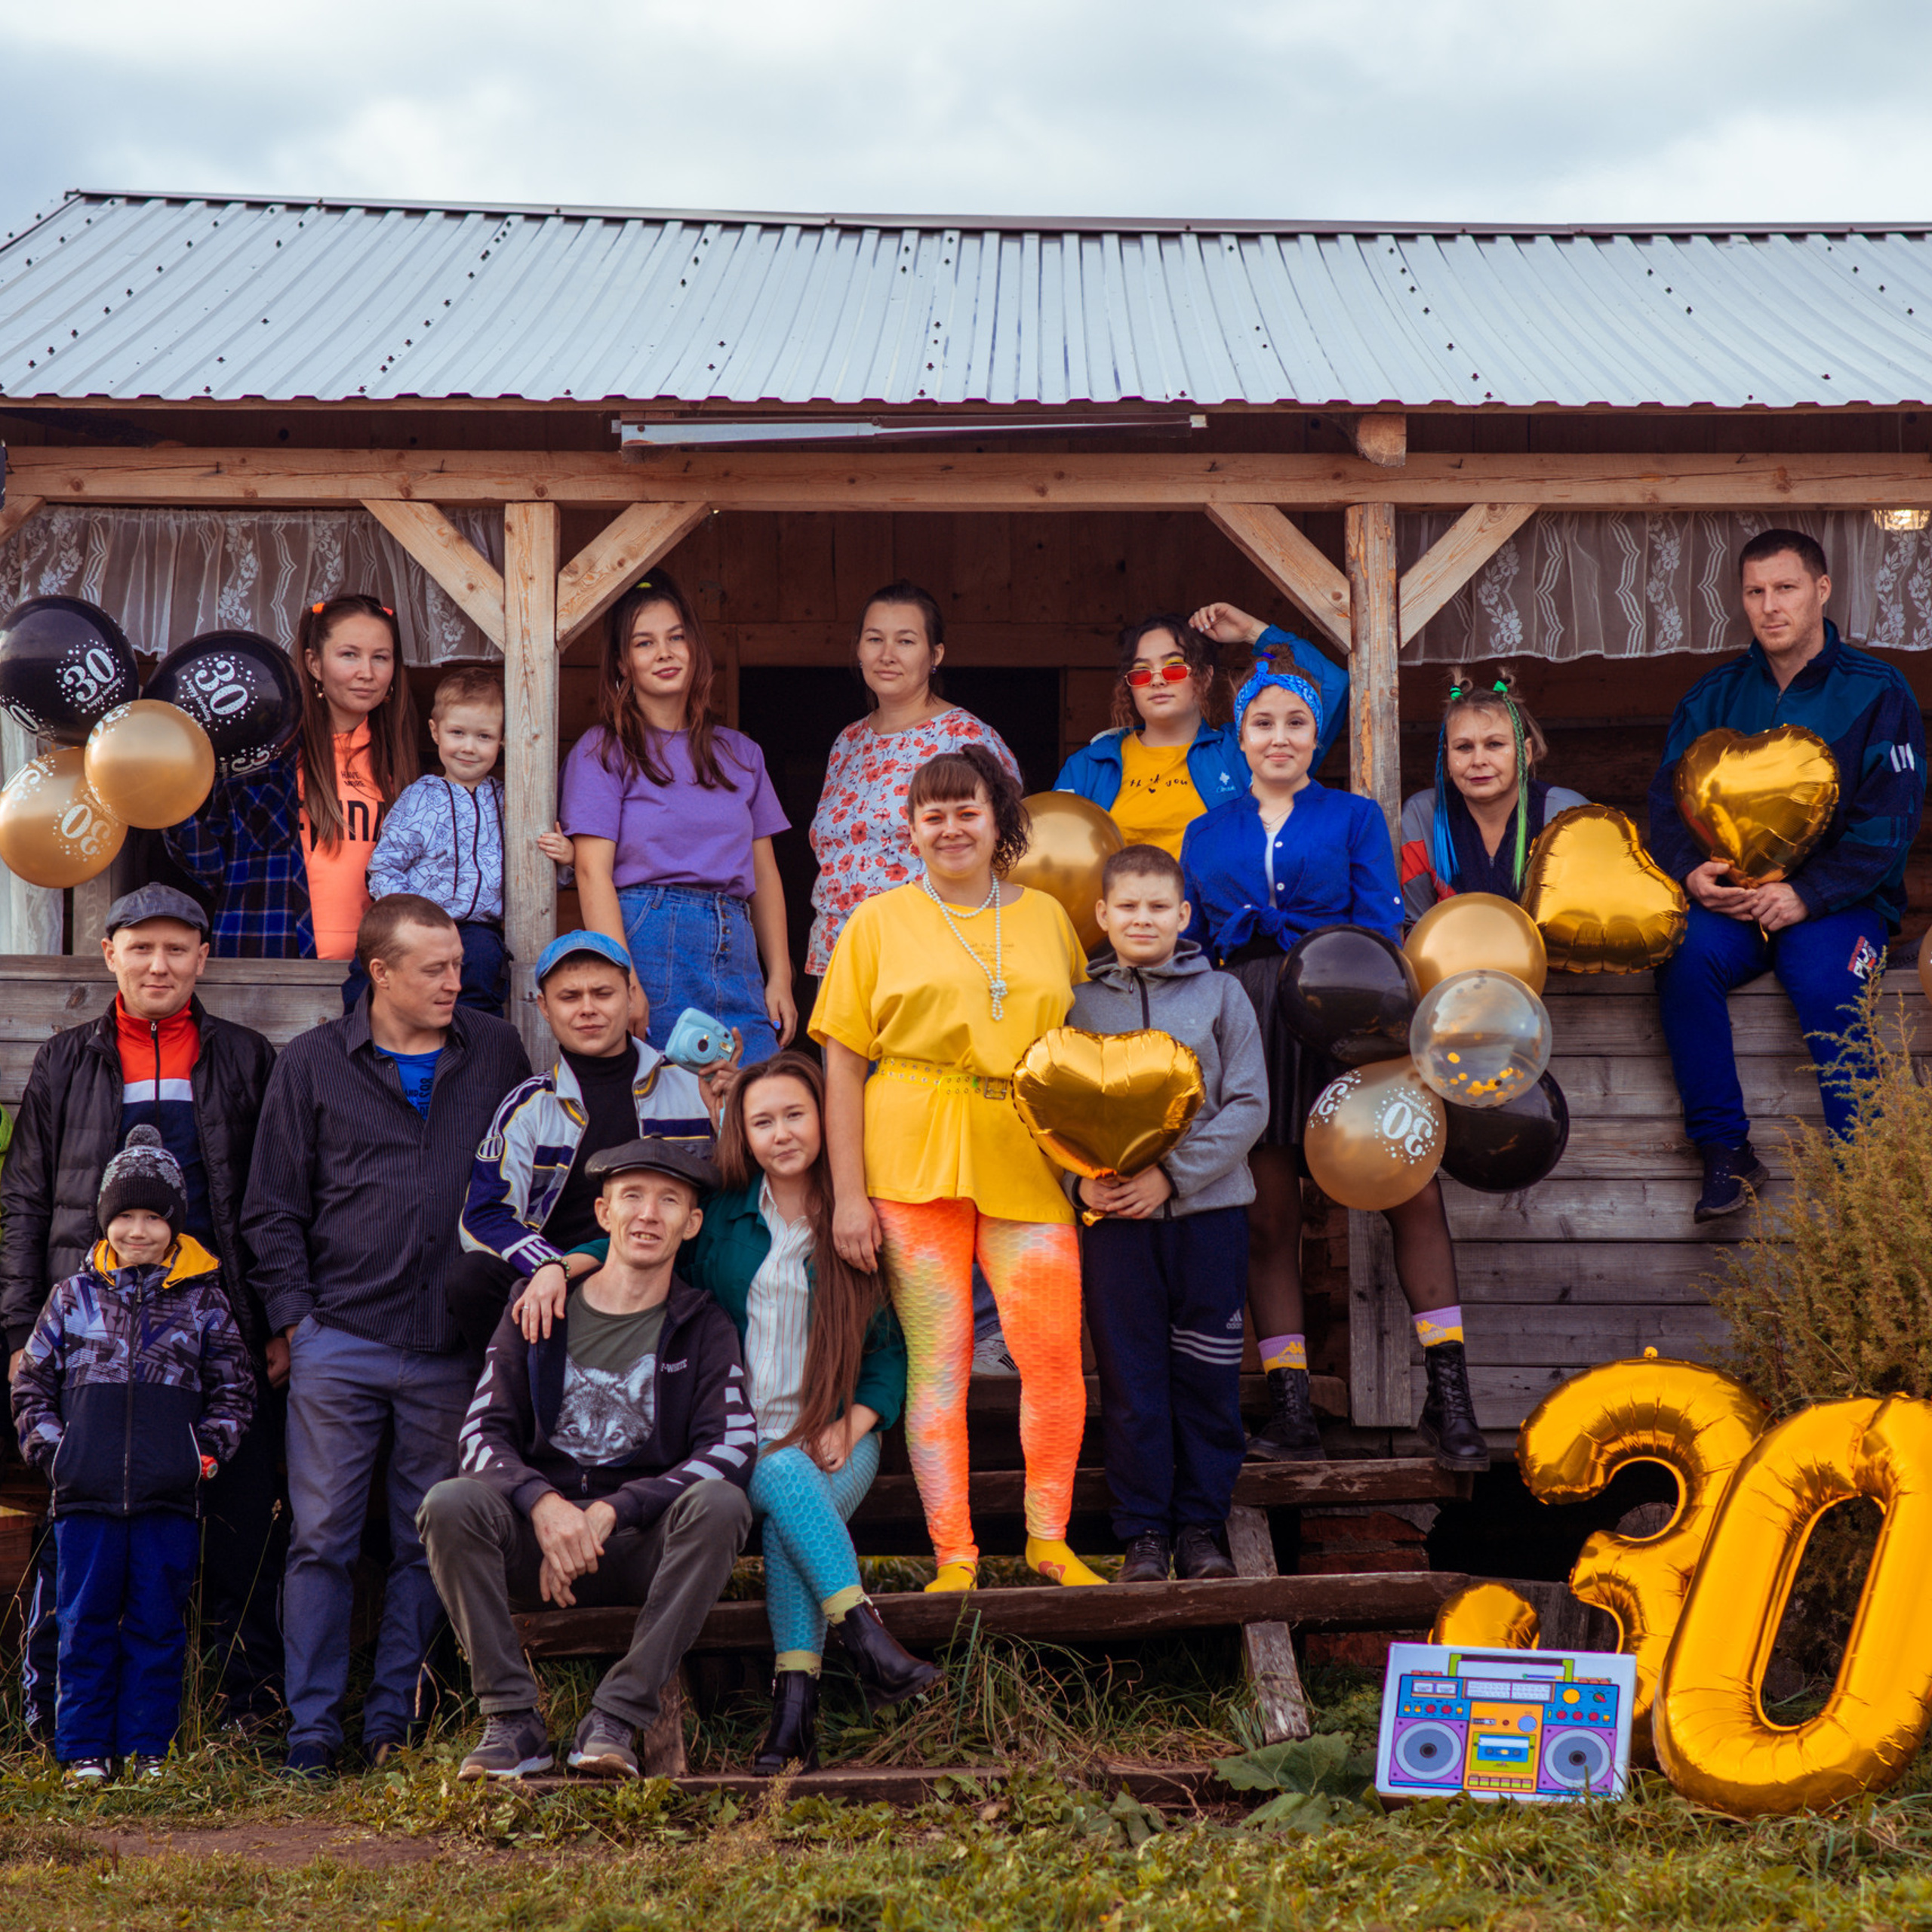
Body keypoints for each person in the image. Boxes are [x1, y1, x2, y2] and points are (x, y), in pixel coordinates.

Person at [526, 1054, 937, 1774]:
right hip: (735, 1440)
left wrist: (851, 1425)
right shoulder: (721, 1218)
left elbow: (886, 1352)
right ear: (741, 1135)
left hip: (837, 1433)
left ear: (825, 1120)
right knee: (778, 1475)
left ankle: (795, 1717)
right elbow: (635, 1241)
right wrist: (561, 1266)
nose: (782, 1134)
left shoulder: (853, 1219)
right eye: (762, 1122)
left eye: (795, 1115)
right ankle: (865, 1641)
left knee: (785, 1514)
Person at [244, 894, 530, 1777]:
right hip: (341, 1338)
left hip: (452, 1344)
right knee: (320, 1540)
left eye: (458, 967)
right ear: (380, 972)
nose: (455, 982)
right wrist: (295, 1320)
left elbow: (530, 1178)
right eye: (435, 969)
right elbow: (272, 1207)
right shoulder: (312, 1064)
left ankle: (391, 1724)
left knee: (421, 1539)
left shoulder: (497, 1051)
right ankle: (311, 1734)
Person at [1181, 661, 1488, 1473]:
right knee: (1267, 1216)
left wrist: (1378, 1023)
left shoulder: (1354, 817)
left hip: (1348, 1007)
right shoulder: (1204, 832)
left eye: (1295, 723)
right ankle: (1291, 1409)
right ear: (1239, 737)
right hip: (1246, 1021)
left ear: (1316, 736)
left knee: (1410, 1189)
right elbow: (1194, 948)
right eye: (1262, 723)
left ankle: (1449, 1398)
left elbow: (1382, 923)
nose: (1278, 737)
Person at [814, 746, 1102, 1590]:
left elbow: (1075, 1050)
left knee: (1052, 1357)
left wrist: (1094, 1161)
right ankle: (955, 1556)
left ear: (998, 818)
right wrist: (847, 1195)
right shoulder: (875, 921)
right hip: (908, 1155)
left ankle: (1049, 1540)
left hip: (1026, 1153)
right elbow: (841, 1068)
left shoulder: (1047, 918)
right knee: (938, 1363)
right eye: (931, 814)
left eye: (966, 810)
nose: (950, 827)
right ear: (910, 828)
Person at [0, 884, 282, 1738]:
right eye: (141, 948)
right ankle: (59, 1710)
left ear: (203, 958)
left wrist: (273, 1320)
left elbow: (273, 1198)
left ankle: (243, 1704)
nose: (159, 965)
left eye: (177, 949)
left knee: (238, 1515)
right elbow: (25, 1199)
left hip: (213, 1331)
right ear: (109, 954)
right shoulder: (67, 1060)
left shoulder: (244, 1058)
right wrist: (20, 1330)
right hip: (90, 1340)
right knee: (79, 1525)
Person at [423, 1138, 754, 1783]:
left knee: (721, 1504)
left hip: (641, 1549)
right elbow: (481, 1434)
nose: (648, 1214)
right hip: (535, 1546)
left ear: (692, 1223)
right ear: (604, 1213)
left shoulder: (703, 1325)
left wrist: (611, 1511)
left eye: (669, 1201)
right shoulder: (538, 1309)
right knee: (450, 1503)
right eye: (632, 1197)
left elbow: (732, 1446)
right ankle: (512, 1720)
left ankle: (618, 1717)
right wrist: (543, 1506)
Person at [1647, 528, 1927, 1220]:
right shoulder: (1712, 697)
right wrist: (1691, 875)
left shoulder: (1878, 690)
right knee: (1681, 956)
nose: (1769, 606)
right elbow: (1667, 807)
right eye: (1755, 591)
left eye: (1785, 588)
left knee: (1827, 984)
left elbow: (1892, 823)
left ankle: (1866, 1183)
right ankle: (1725, 1151)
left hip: (1841, 906)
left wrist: (1807, 894)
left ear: (1821, 590)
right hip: (1737, 905)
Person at [11, 1127, 254, 1783]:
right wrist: (56, 1454)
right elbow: (31, 1385)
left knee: (156, 1624)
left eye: (152, 1217)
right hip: (84, 1496)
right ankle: (82, 1750)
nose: (137, 1231)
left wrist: (200, 1457)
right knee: (82, 1622)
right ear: (104, 1220)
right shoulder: (72, 1297)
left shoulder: (204, 1301)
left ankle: (149, 1750)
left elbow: (235, 1391)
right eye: (124, 1216)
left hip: (167, 1496)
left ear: (175, 1224)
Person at [1067, 845, 1268, 1583]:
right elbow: (1047, 1108)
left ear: (1184, 914)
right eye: (1128, 906)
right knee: (1133, 1384)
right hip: (1117, 1227)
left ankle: (1202, 1528)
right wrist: (1076, 1186)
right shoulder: (1076, 1004)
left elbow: (1249, 1105)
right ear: (1102, 914)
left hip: (1209, 1221)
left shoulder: (1221, 995)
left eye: (1158, 906)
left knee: (1208, 1377)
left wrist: (1172, 1178)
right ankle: (1144, 1533)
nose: (1142, 919)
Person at [451, 931, 732, 1361]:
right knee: (471, 1277)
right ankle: (516, 1389)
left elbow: (741, 1190)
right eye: (570, 997)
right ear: (544, 1007)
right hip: (561, 1289)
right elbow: (485, 1215)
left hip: (669, 1274)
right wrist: (551, 1266)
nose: (587, 1009)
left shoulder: (695, 1086)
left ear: (631, 997)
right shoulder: (531, 1106)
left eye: (603, 993)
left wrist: (728, 1118)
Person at [559, 571, 794, 1059]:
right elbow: (591, 872)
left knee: (756, 1090)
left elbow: (766, 875)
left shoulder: (742, 753)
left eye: (676, 638)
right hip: (650, 946)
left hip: (737, 949)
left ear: (695, 649)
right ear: (623, 663)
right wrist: (623, 979)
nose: (664, 653)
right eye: (645, 643)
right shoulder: (602, 751)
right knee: (663, 1094)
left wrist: (781, 977)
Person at [168, 594, 420, 958]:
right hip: (272, 961)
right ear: (314, 663)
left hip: (377, 972)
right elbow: (212, 867)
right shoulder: (266, 757)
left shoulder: (401, 764)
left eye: (380, 657)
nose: (367, 672)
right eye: (349, 655)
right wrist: (166, 798)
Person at [807, 580, 1021, 979]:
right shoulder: (848, 742)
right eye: (874, 639)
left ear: (935, 654)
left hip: (927, 959)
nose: (887, 655)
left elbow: (1006, 852)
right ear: (858, 649)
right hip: (837, 960)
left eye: (905, 641)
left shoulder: (965, 738)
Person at [1054, 605, 1349, 858]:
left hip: (1219, 910)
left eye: (1174, 667)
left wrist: (1252, 632)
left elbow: (1331, 685)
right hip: (1119, 910)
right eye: (1142, 672)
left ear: (1206, 677)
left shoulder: (1245, 751)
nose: (1157, 681)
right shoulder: (1089, 765)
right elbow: (1055, 853)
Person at [365, 667, 570, 1015]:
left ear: (502, 740)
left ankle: (473, 1041)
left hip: (478, 930)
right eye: (457, 733)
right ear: (436, 732)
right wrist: (406, 920)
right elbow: (384, 866)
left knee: (484, 968)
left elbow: (536, 876)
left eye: (484, 736)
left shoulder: (511, 803)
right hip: (419, 927)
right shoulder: (420, 798)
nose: (469, 747)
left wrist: (564, 860)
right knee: (373, 980)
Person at [1398, 670, 1589, 919]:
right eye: (1464, 747)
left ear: (1525, 753)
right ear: (1447, 757)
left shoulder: (1566, 816)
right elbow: (1413, 926)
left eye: (1495, 744)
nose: (1478, 760)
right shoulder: (1423, 816)